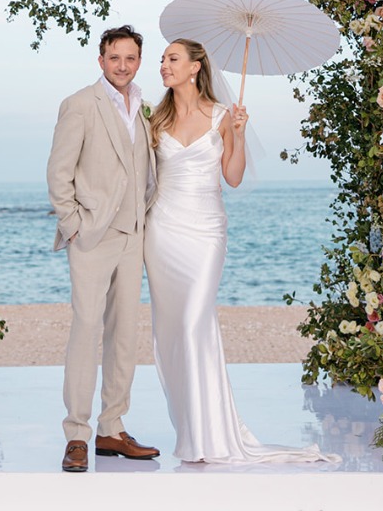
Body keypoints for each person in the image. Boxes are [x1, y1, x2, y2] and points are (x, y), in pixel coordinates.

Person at [144, 38, 340, 466]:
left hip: (205, 232)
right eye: (162, 60)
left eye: (171, 59)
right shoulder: (154, 119)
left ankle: (211, 436)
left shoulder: (221, 116)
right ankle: (191, 431)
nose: (163, 66)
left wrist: (239, 133)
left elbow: (233, 177)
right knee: (171, 332)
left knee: (196, 322)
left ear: (195, 67)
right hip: (162, 234)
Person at [46, 24, 160, 473]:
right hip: (92, 236)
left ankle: (112, 428)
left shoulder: (146, 108)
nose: (123, 66)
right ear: (101, 60)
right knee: (86, 330)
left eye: (130, 58)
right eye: (115, 58)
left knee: (124, 335)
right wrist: (73, 226)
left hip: (134, 236)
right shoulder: (79, 105)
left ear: (138, 62)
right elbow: (59, 174)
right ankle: (77, 433)